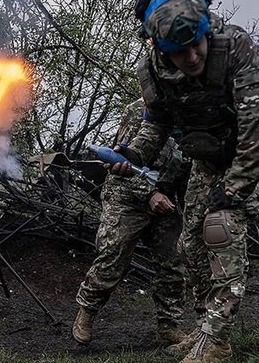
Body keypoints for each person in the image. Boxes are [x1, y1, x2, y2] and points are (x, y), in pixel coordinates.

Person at [109, 0, 259, 362]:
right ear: (160, 47)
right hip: (205, 162)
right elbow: (157, 125)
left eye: (196, 45)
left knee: (220, 231)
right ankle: (206, 327)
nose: (191, 57)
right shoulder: (153, 70)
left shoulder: (236, 48)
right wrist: (132, 154)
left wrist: (233, 190)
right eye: (179, 51)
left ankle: (217, 340)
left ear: (205, 30)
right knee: (189, 247)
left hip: (244, 158)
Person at [72, 99, 191, 346]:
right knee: (113, 255)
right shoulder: (139, 110)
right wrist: (149, 194)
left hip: (166, 198)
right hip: (126, 194)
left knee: (173, 261)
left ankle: (168, 326)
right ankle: (87, 313)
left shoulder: (196, 112)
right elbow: (124, 161)